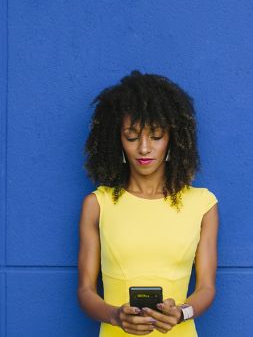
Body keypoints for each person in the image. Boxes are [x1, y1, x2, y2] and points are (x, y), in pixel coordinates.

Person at [77, 70, 219, 336]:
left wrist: (181, 313)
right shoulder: (98, 204)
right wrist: (116, 316)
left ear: (172, 139)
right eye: (132, 136)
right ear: (117, 140)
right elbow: (85, 290)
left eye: (155, 136)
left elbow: (207, 288)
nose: (144, 148)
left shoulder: (203, 204)